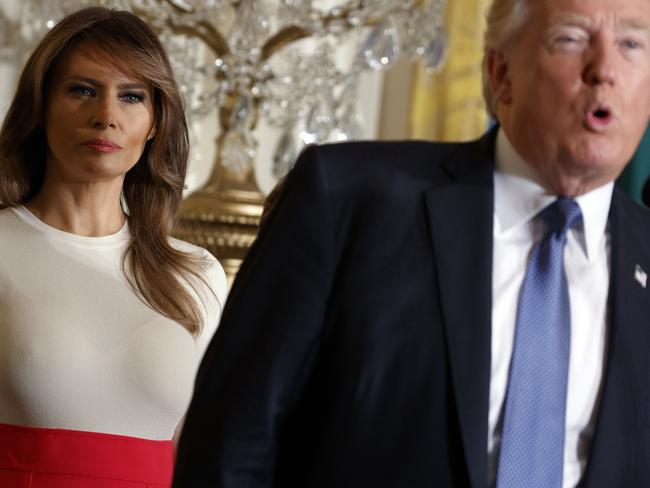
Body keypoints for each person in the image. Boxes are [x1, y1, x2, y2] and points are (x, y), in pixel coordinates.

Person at [173, 0, 650, 486]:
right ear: (501, 73)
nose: (605, 70)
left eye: (632, 44)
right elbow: (229, 445)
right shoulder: (345, 200)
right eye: (571, 39)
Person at [0, 7, 228, 488]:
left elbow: (201, 453)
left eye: (131, 97)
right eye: (82, 90)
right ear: (40, 107)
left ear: (154, 123)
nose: (106, 117)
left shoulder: (197, 274)